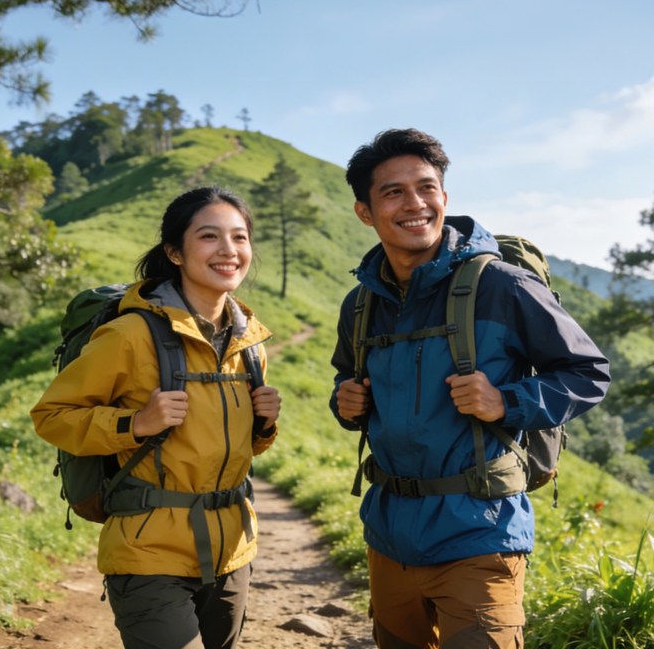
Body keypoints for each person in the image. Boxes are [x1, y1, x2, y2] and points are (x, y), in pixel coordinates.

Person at [330, 128, 611, 648]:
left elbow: (588, 372)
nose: (415, 203)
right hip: (388, 535)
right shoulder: (360, 304)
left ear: (444, 196)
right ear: (365, 212)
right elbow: (346, 380)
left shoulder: (502, 286)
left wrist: (506, 401)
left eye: (426, 187)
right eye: (393, 192)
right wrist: (344, 401)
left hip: (480, 534)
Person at [31, 186, 282, 649]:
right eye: (209, 237)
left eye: (240, 237)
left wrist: (264, 425)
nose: (229, 250)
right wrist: (134, 424)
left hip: (232, 551)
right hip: (148, 551)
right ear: (175, 252)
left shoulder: (249, 343)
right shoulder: (129, 334)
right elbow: (52, 417)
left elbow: (235, 445)